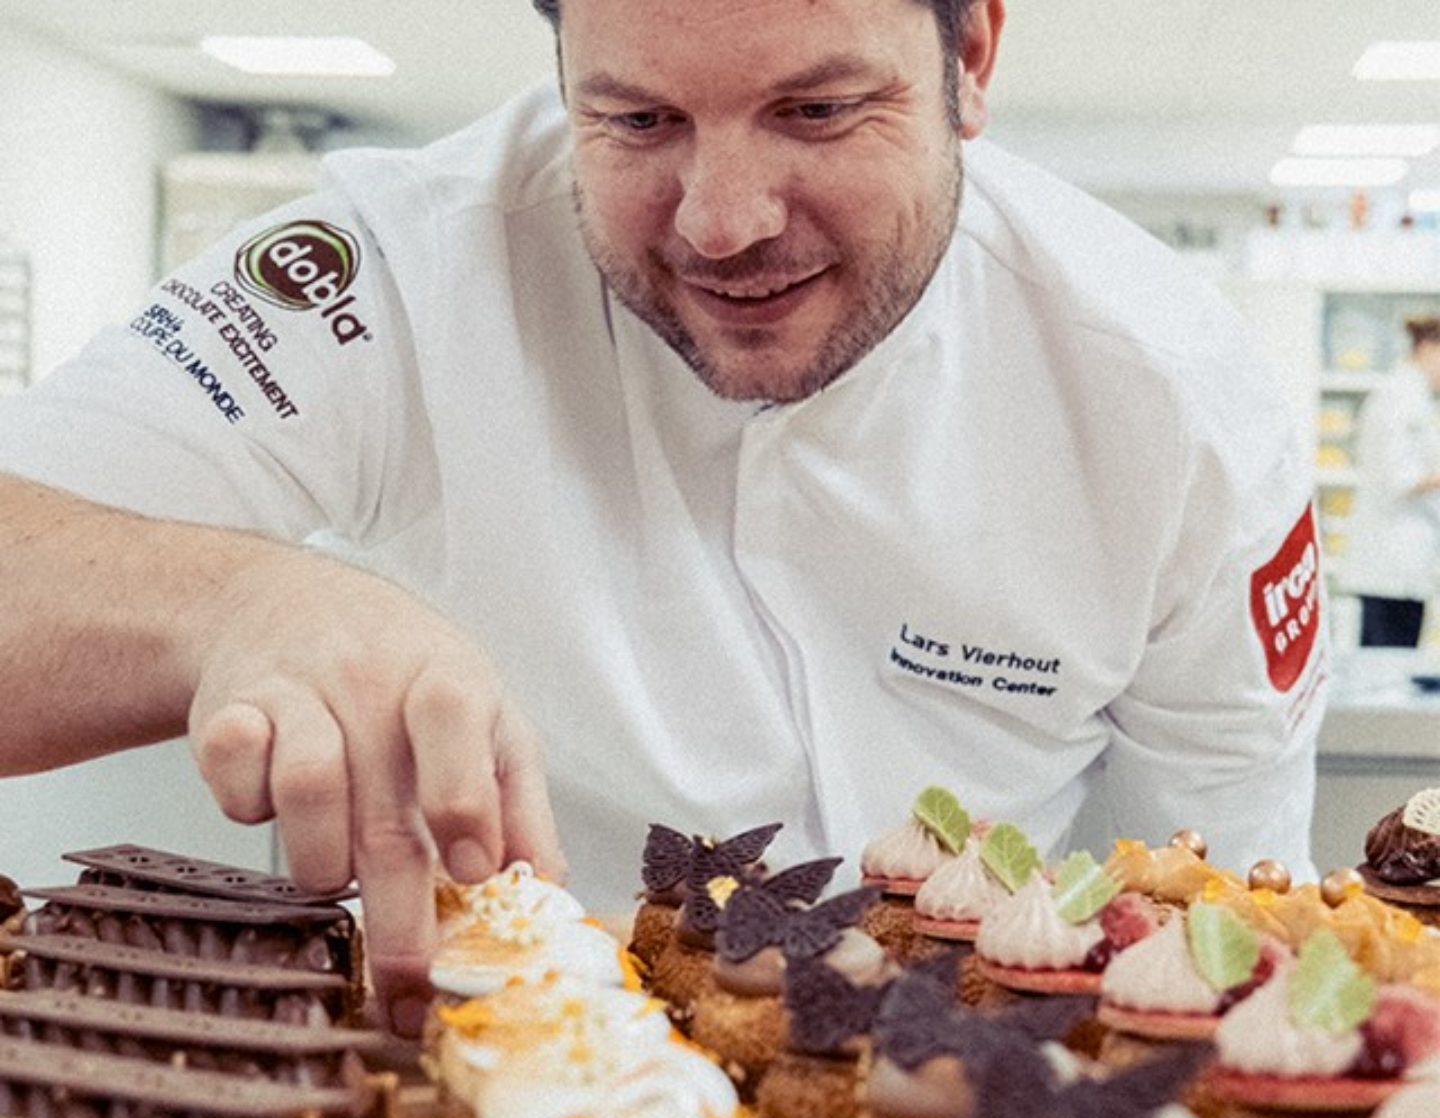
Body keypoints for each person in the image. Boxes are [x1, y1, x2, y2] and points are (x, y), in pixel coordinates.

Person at [0, 0, 1328, 1036]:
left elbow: (1214, 923)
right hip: (500, 1100)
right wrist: (246, 600)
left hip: (957, 1108)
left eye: (815, 109)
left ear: (969, 54)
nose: (723, 222)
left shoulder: (1173, 400)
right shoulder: (405, 275)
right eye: (636, 123)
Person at [1342, 315, 1440, 648]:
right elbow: (1401, 477)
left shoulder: (1417, 397)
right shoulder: (1400, 397)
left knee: (1393, 663)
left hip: (1404, 562)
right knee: (1386, 672)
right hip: (1390, 561)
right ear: (1429, 348)